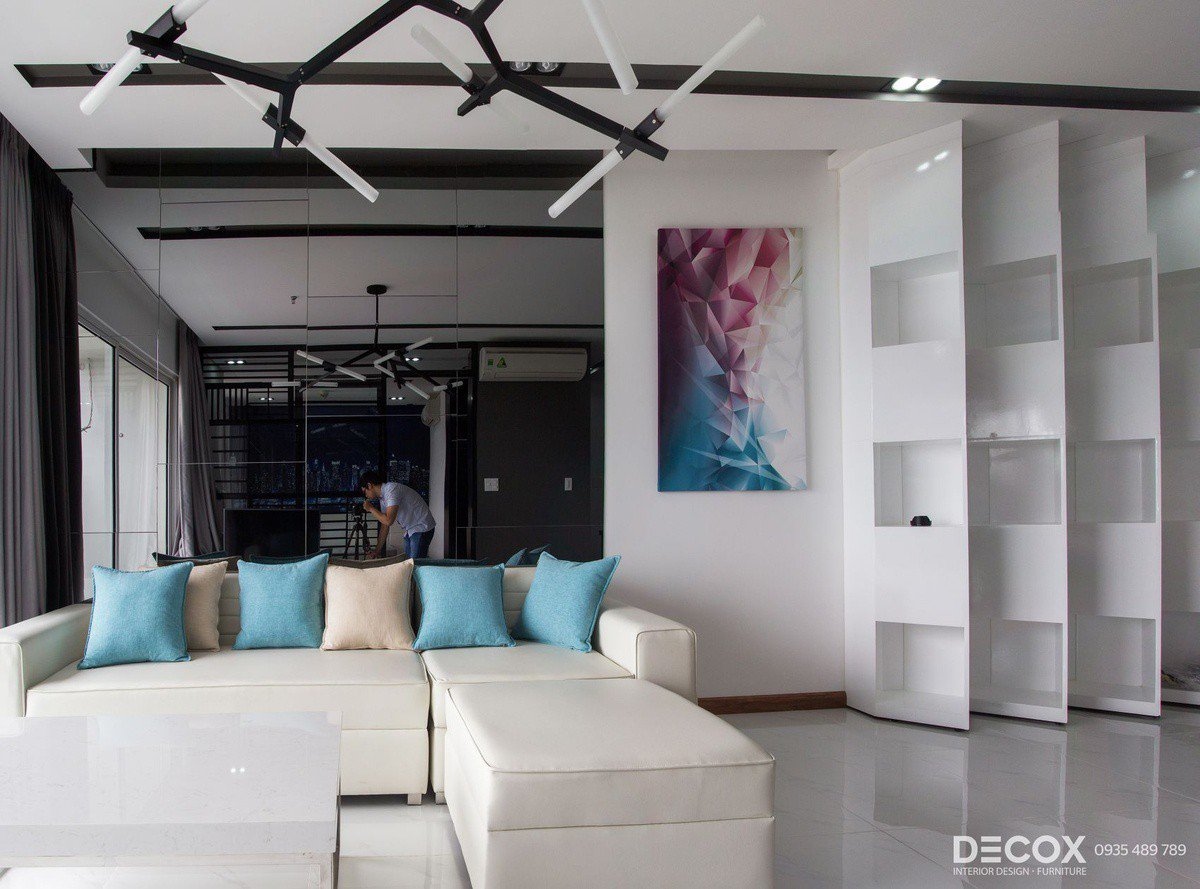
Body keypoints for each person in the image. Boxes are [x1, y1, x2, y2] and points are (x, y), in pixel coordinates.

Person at [358, 470, 436, 560]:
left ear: (369, 485)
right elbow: (385, 525)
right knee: (408, 563)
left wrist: (371, 508)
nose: (365, 496)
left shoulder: (391, 489)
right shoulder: (383, 498)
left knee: (414, 564)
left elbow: (388, 520)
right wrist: (377, 551)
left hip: (421, 526)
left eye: (364, 492)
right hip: (411, 529)